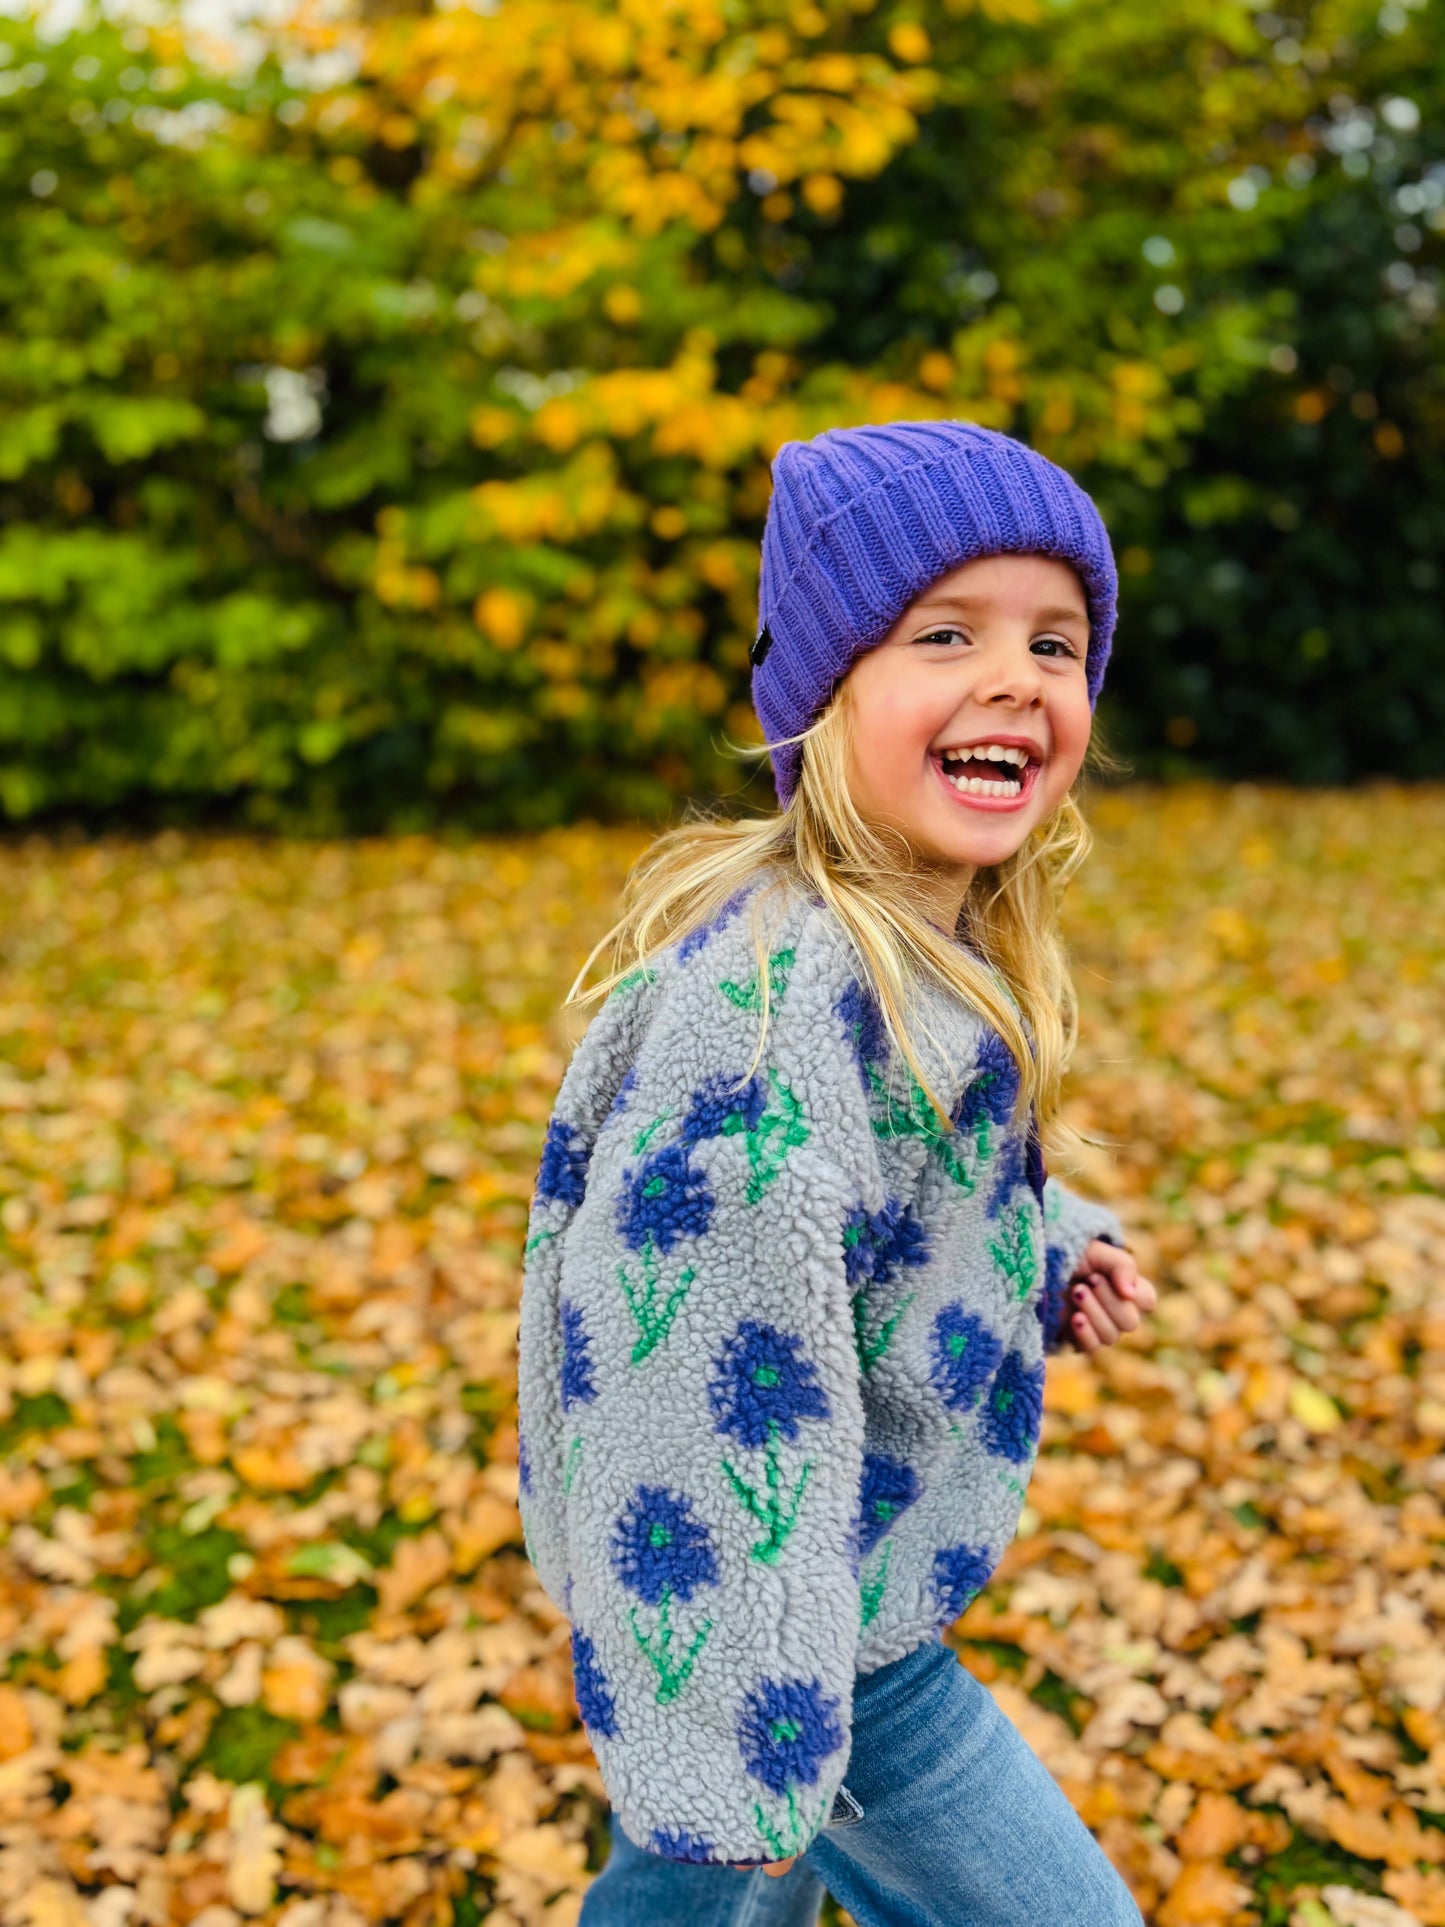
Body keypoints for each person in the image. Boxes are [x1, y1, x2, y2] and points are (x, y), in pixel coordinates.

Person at [517, 420, 1158, 1926]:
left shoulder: (927, 954)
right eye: (946, 633)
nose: (1014, 676)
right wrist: (728, 1742)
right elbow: (681, 1362)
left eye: (1053, 644)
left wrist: (1049, 1239)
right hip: (804, 1644)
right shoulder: (777, 1009)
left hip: (811, 1607)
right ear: (821, 695)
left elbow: (887, 1203)